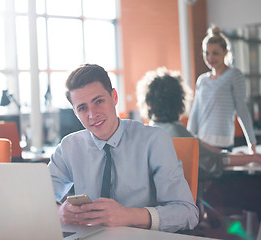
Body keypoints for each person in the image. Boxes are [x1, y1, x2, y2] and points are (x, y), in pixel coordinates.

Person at [48, 64, 199, 233]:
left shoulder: (154, 140)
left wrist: (128, 215)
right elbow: (39, 197)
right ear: (75, 112)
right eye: (82, 108)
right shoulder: (69, 147)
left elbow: (187, 213)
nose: (93, 114)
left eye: (98, 101)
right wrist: (59, 211)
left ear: (114, 97)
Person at [136, 67, 261, 220]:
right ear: (179, 100)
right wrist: (253, 158)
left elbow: (200, 146)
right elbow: (215, 161)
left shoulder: (151, 129)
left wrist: (232, 154)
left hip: (160, 204)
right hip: (194, 199)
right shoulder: (177, 132)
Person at [187, 26, 257, 154]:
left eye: (215, 53)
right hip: (202, 142)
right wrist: (188, 143)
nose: (210, 58)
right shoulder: (202, 80)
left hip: (223, 142)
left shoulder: (234, 75)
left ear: (225, 52)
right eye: (206, 53)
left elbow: (242, 110)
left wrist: (251, 144)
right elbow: (195, 114)